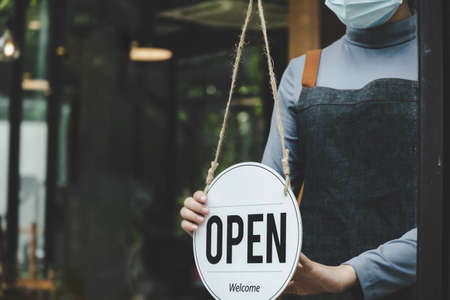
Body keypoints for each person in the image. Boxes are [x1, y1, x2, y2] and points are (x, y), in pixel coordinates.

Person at [180, 0, 418, 299]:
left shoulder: (438, 64)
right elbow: (267, 204)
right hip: (309, 287)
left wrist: (350, 273)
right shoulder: (304, 71)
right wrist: (217, 220)